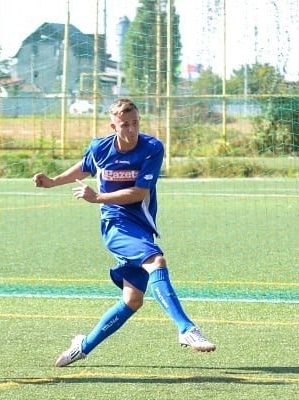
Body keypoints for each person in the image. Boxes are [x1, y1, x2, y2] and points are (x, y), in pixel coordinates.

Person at [33, 97, 216, 366]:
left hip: (140, 224)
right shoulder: (100, 147)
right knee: (157, 262)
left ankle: (81, 347)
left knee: (132, 299)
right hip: (115, 224)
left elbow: (139, 193)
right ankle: (187, 329)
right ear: (113, 126)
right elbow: (85, 167)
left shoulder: (152, 148)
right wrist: (53, 182)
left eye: (135, 123)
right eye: (124, 125)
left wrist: (97, 198)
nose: (131, 130)